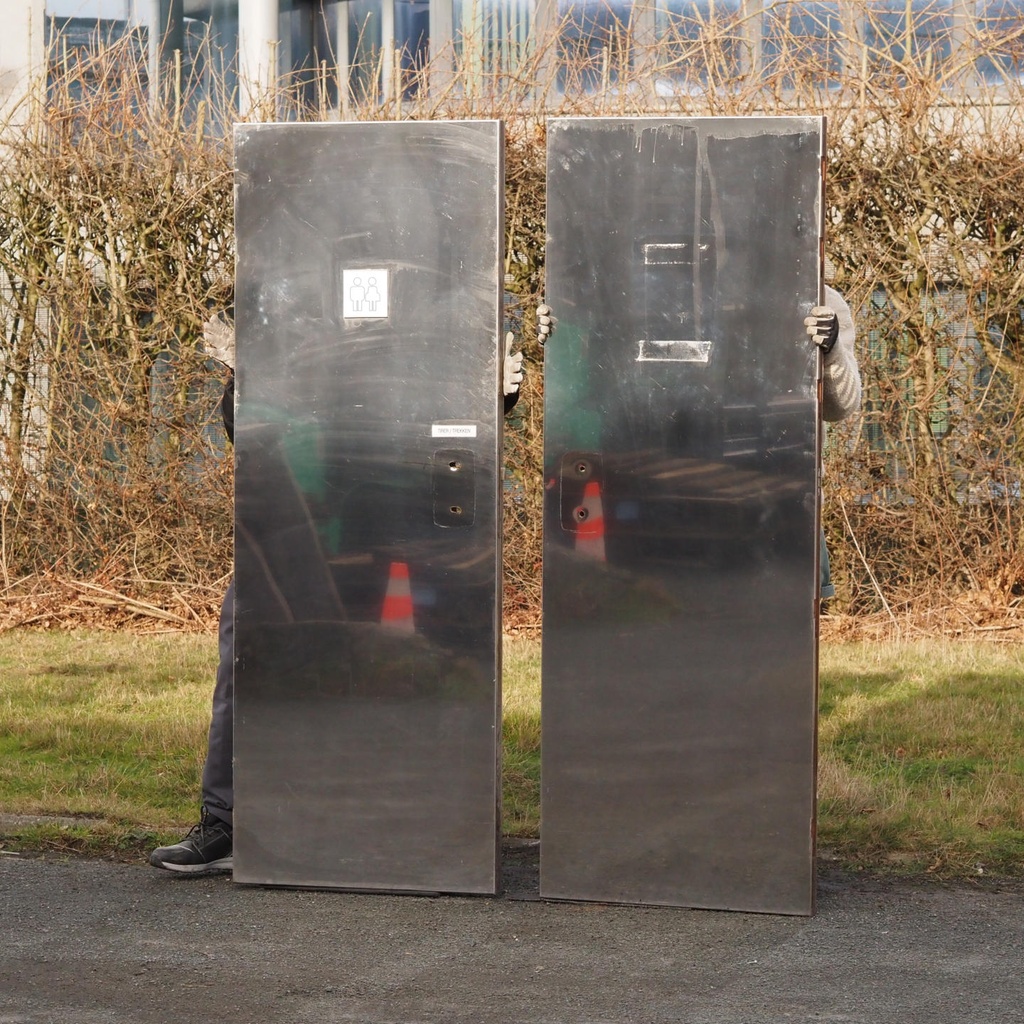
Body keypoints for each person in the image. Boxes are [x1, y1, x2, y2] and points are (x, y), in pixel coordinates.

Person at [148, 321, 524, 873]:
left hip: (376, 543)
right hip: (285, 545)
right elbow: (244, 432)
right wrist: (241, 374)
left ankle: (392, 824)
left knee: (389, 676)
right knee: (244, 673)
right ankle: (227, 824)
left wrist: (496, 394)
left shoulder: (411, 336)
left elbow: (441, 422)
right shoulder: (295, 331)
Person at [804, 285, 862, 600]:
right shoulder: (696, 284)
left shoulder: (820, 297)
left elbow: (843, 406)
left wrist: (833, 350)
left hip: (789, 503)